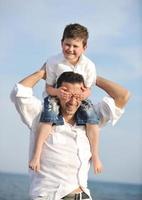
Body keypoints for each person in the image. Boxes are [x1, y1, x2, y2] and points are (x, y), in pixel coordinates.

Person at [11, 66, 130, 200]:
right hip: (50, 196)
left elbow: (122, 96)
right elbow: (19, 91)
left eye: (77, 96)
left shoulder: (91, 118)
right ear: (58, 93)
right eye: (67, 95)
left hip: (83, 195)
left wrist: (93, 79)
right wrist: (43, 73)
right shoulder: (40, 116)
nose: (73, 102)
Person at [29, 23, 101, 174]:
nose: (70, 49)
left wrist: (83, 95)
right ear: (61, 42)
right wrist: (57, 92)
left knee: (92, 121)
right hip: (56, 98)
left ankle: (95, 156)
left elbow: (89, 90)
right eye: (67, 45)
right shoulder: (53, 61)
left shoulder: (89, 65)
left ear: (84, 47)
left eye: (75, 46)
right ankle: (36, 155)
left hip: (79, 99)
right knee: (48, 118)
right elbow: (48, 87)